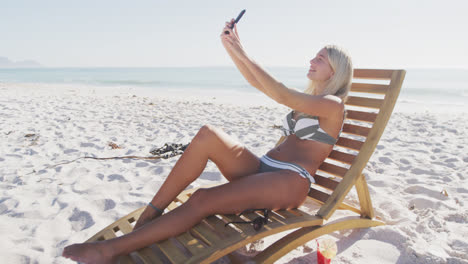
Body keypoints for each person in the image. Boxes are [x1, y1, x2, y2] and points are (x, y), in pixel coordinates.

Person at [62, 18, 353, 264]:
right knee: (208, 134)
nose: (311, 61)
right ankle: (152, 214)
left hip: (289, 180)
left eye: (320, 59)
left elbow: (280, 93)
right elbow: (257, 83)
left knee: (202, 198)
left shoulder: (332, 105)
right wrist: (232, 49)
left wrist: (242, 49)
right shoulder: (314, 100)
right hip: (265, 168)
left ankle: (107, 250)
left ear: (335, 71)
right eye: (314, 56)